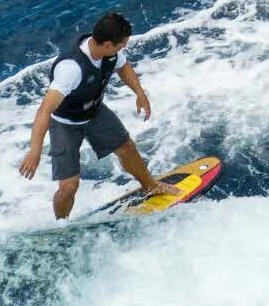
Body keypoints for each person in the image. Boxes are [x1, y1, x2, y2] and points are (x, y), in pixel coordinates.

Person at [18, 11, 177, 220]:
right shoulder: (71, 69)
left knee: (127, 147)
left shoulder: (109, 52)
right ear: (108, 44)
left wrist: (139, 92)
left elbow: (123, 66)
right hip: (65, 123)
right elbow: (44, 111)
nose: (123, 48)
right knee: (69, 187)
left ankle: (150, 186)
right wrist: (34, 151)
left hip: (94, 111)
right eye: (121, 45)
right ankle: (61, 226)